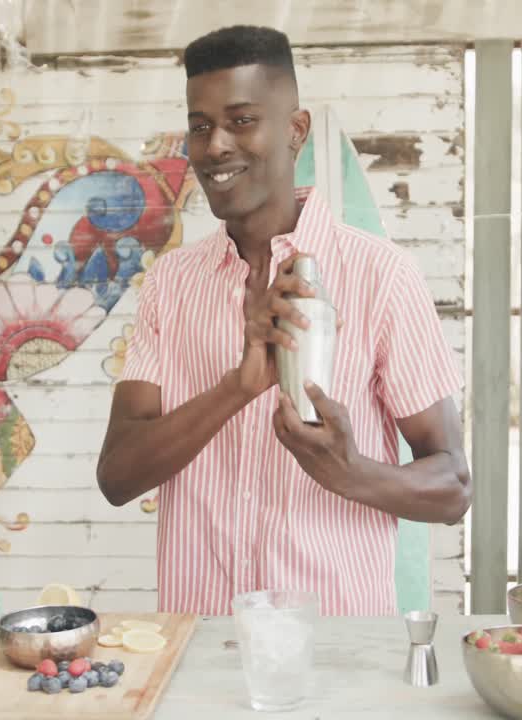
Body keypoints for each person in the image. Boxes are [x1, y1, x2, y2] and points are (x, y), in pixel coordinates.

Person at [96, 25, 470, 616]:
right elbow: (117, 477)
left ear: (296, 130)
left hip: (336, 648)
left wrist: (351, 472)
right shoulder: (171, 283)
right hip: (202, 643)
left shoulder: (380, 275)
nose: (215, 146)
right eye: (200, 126)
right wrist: (239, 386)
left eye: (241, 120)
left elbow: (453, 487)